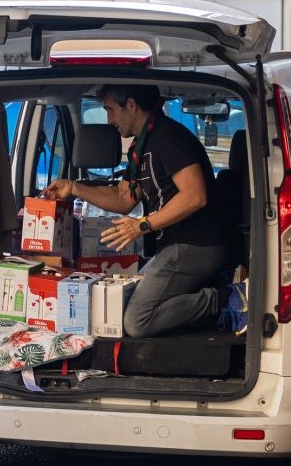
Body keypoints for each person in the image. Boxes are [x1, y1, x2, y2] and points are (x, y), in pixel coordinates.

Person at [43, 83, 233, 337]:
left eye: (110, 110)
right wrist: (73, 187)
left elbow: (195, 196)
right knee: (118, 305)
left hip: (197, 244)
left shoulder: (168, 138)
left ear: (131, 105)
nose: (109, 120)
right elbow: (123, 198)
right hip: (173, 245)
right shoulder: (141, 147)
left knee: (136, 321)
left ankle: (222, 298)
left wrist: (143, 224)